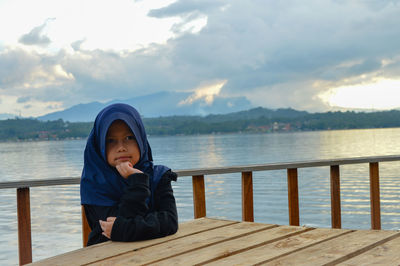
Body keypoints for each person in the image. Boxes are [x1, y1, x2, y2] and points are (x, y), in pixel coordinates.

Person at [80, 103, 178, 246]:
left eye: (129, 138)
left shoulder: (158, 176)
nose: (121, 148)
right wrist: (138, 183)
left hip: (157, 254)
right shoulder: (96, 184)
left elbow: (170, 222)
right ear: (99, 145)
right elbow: (111, 226)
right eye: (111, 141)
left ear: (140, 139)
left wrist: (124, 229)